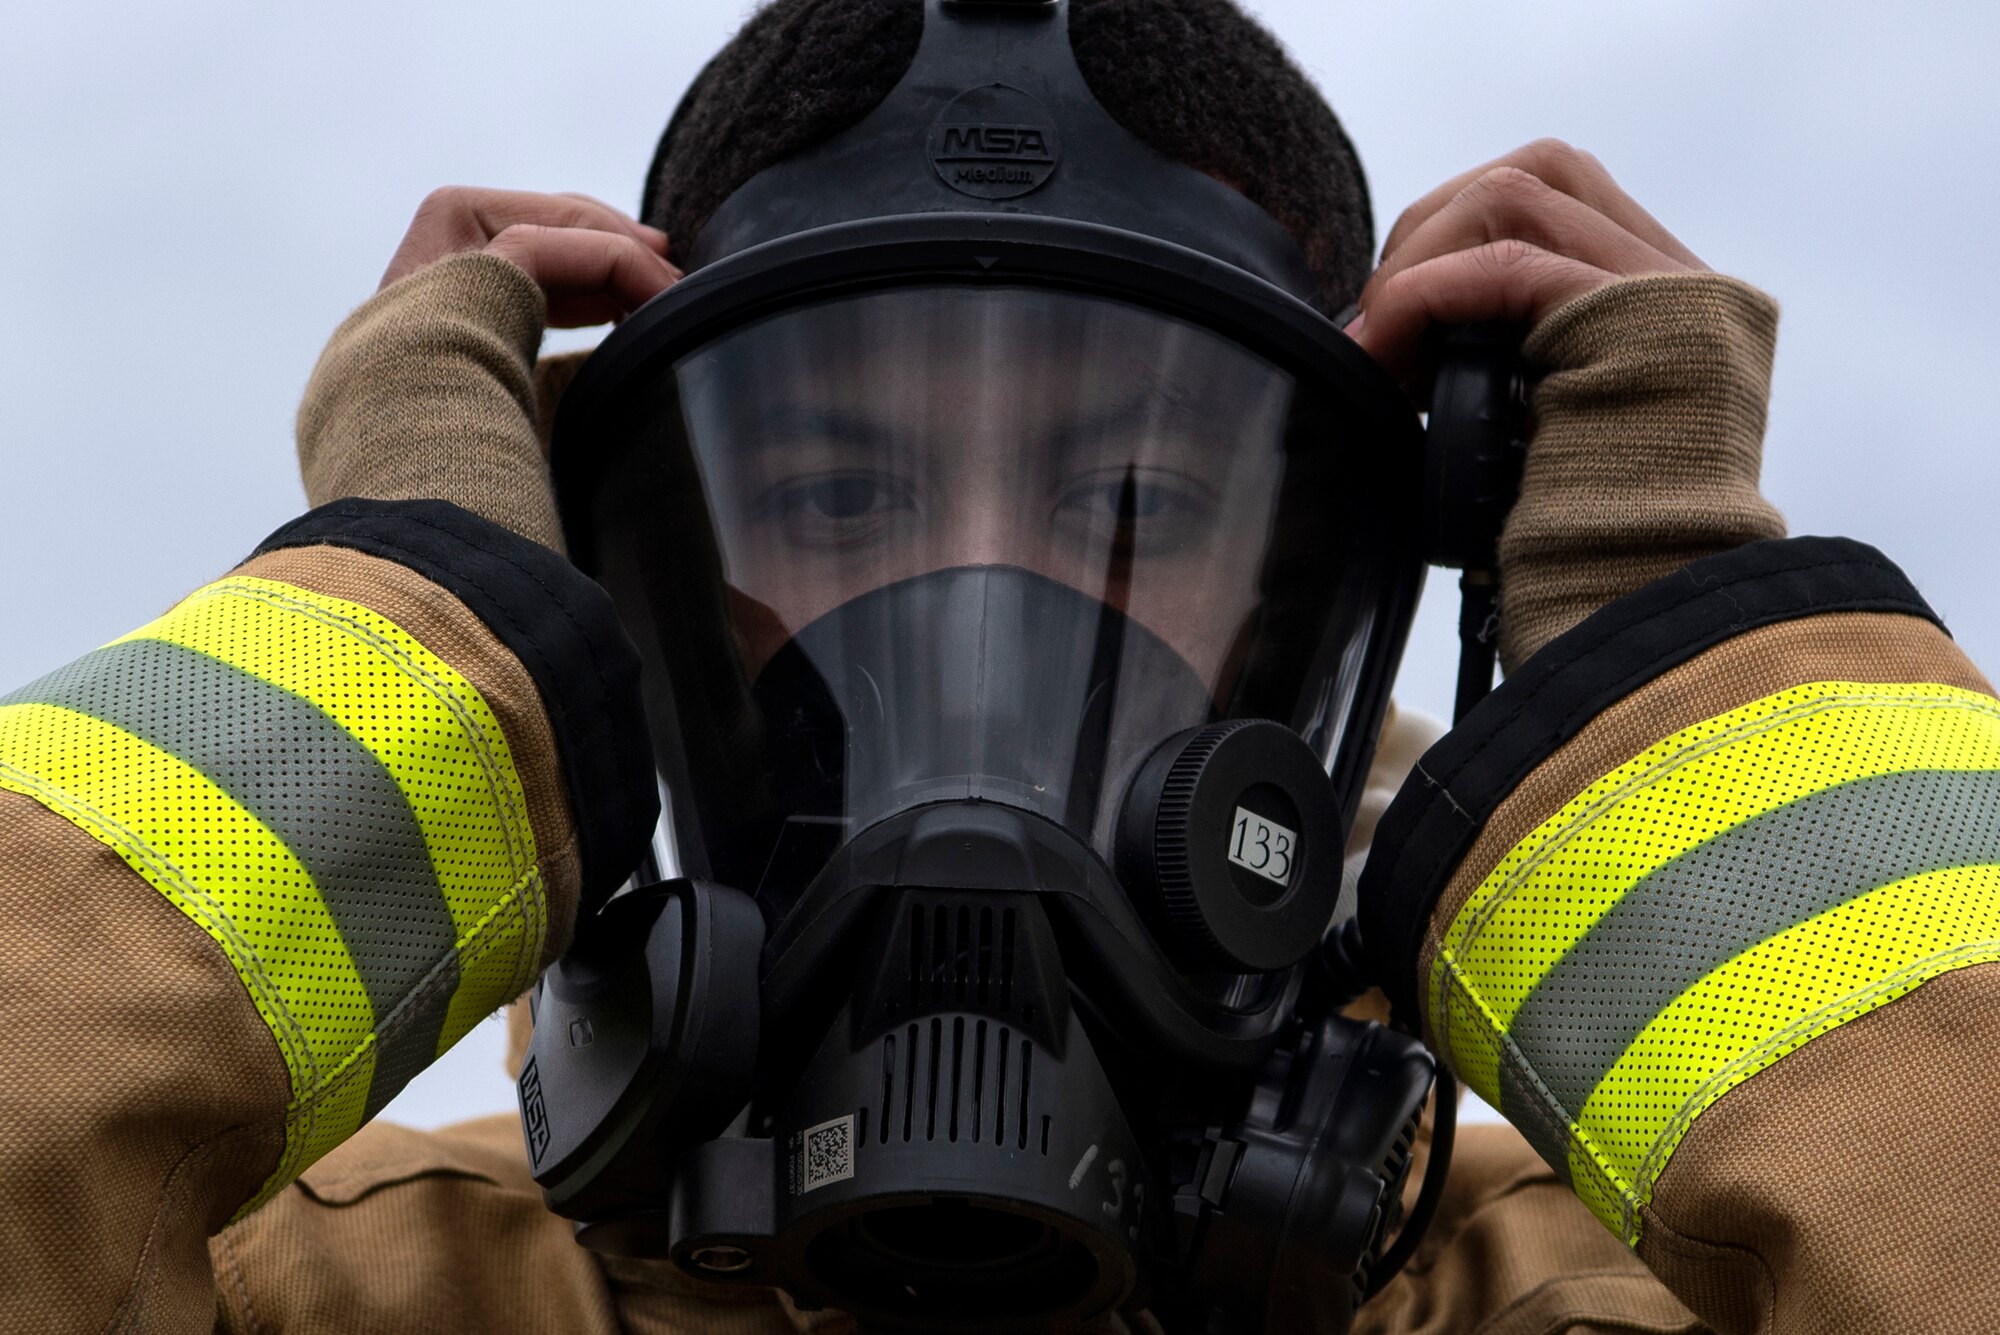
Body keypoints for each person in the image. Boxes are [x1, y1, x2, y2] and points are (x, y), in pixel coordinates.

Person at [3, 1, 1994, 1331]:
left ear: (1329, 592)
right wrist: (410, 631)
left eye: (1129, 492)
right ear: (645, 581)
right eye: (837, 494)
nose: (977, 604)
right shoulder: (295, 1277)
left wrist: (1673, 678)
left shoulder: (1645, 1285)